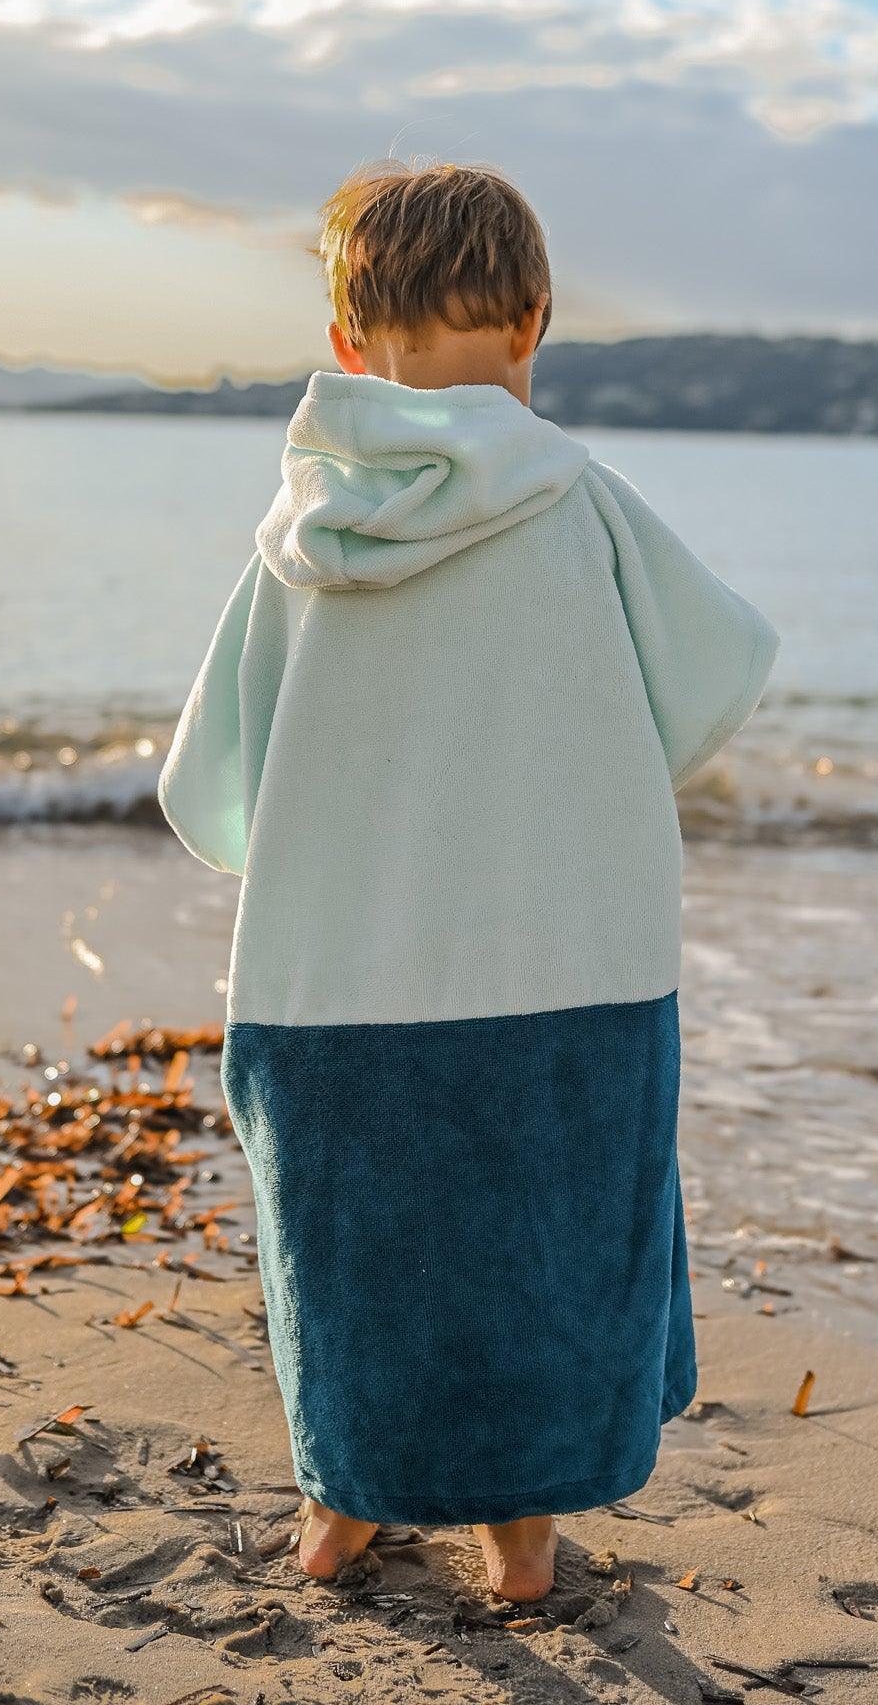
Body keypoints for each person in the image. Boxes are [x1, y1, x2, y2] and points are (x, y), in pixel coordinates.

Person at [158, 161, 778, 1601]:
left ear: (345, 340)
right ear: (535, 320)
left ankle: (343, 1511)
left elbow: (218, 784)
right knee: (541, 1231)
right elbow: (705, 687)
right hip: (571, 961)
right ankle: (523, 1543)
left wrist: (324, 837)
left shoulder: (299, 542)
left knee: (350, 1245)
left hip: (340, 973)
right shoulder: (585, 505)